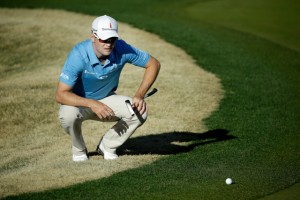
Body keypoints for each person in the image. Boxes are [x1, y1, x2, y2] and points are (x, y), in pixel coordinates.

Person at [55, 15, 160, 162]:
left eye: (112, 39)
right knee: (67, 115)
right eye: (104, 39)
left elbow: (153, 64)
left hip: (107, 98)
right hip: (79, 103)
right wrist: (93, 103)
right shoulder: (78, 54)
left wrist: (140, 95)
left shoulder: (121, 48)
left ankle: (107, 146)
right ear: (93, 36)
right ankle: (79, 149)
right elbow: (60, 95)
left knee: (139, 112)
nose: (109, 44)